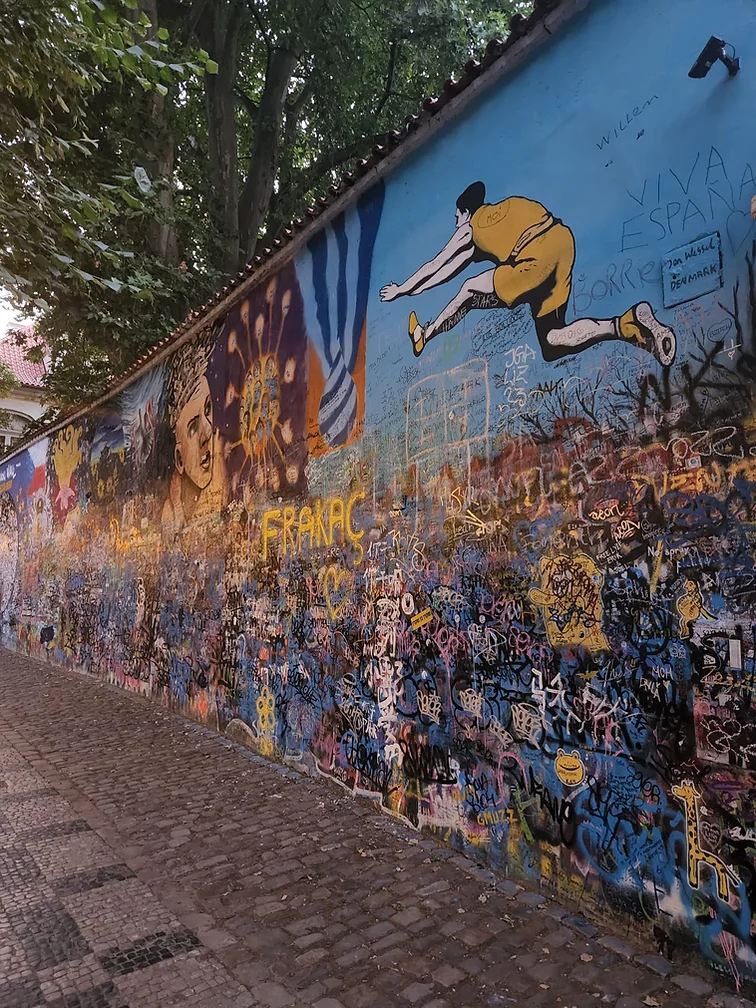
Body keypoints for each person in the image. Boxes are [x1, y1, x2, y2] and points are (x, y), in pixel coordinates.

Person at [380, 181, 676, 367]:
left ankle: (425, 334)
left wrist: (402, 290)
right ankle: (625, 325)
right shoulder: (505, 210)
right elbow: (447, 271)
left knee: (469, 291)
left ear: (465, 213)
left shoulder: (471, 228)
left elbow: (437, 266)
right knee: (552, 340)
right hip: (561, 242)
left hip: (533, 256)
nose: (455, 223)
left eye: (456, 217)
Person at [161, 331, 224, 535]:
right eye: (193, 427)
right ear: (179, 459)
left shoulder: (224, 487)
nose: (208, 433)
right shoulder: (171, 516)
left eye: (208, 410)